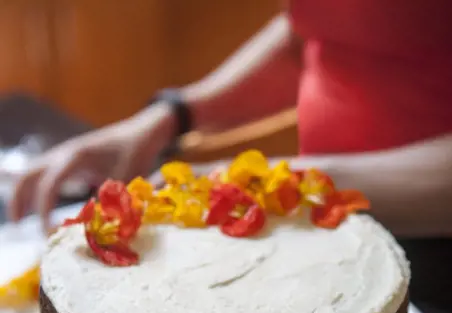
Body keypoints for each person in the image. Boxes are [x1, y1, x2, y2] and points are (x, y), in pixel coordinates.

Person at [9, 1, 452, 237]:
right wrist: (171, 117)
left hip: (429, 254)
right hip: (319, 217)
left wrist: (280, 183)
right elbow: (315, 32)